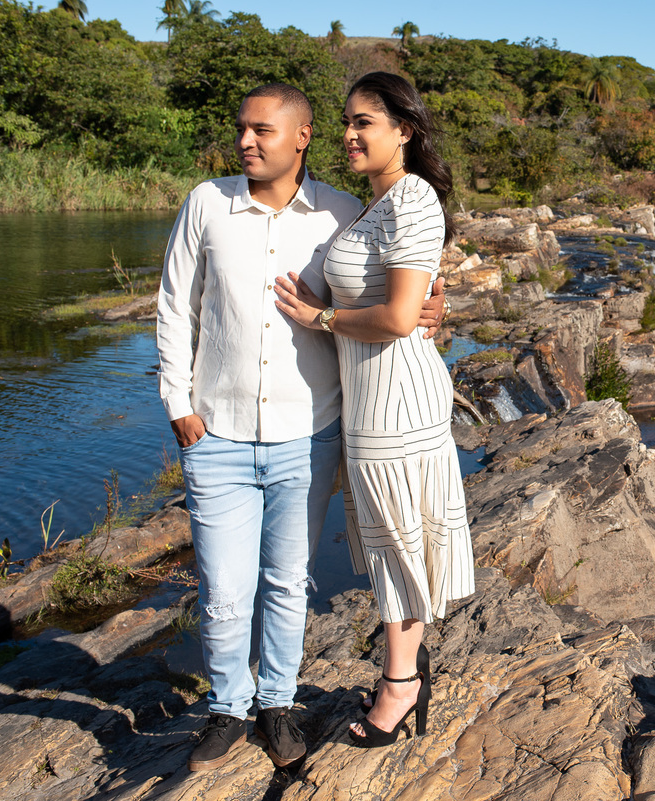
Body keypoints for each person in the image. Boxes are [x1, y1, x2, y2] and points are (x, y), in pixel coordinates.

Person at [157, 82, 447, 771]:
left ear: (300, 137)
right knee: (223, 585)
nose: (246, 141)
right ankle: (227, 707)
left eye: (262, 129)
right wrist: (179, 406)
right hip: (217, 431)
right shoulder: (207, 202)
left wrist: (439, 303)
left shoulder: (346, 212)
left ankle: (279, 704)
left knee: (289, 580)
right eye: (241, 129)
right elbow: (174, 305)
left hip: (308, 431)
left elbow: (397, 281)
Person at [273, 71, 475, 748]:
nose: (349, 134)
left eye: (365, 122)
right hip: (369, 399)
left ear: (404, 131)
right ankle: (404, 675)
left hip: (398, 399)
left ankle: (401, 687)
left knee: (401, 540)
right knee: (394, 538)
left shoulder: (412, 200)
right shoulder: (374, 204)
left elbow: (394, 318)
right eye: (347, 121)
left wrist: (320, 316)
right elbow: (405, 300)